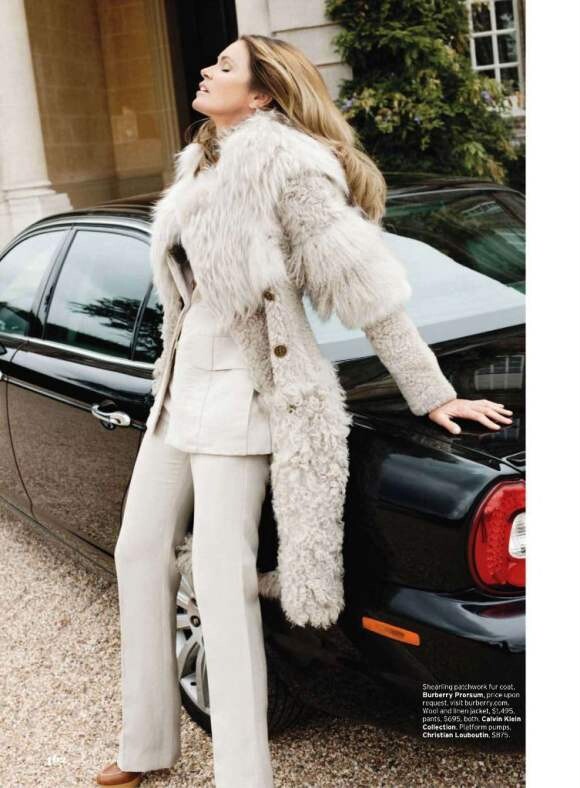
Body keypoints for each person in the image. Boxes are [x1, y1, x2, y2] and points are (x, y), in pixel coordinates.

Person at [95, 33, 513, 788]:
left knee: (219, 577)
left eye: (225, 66)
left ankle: (244, 775)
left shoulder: (288, 168)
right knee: (137, 552)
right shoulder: (201, 164)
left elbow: (366, 289)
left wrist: (435, 393)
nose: (206, 70)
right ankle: (145, 745)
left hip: (246, 394)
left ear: (261, 94)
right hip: (178, 392)